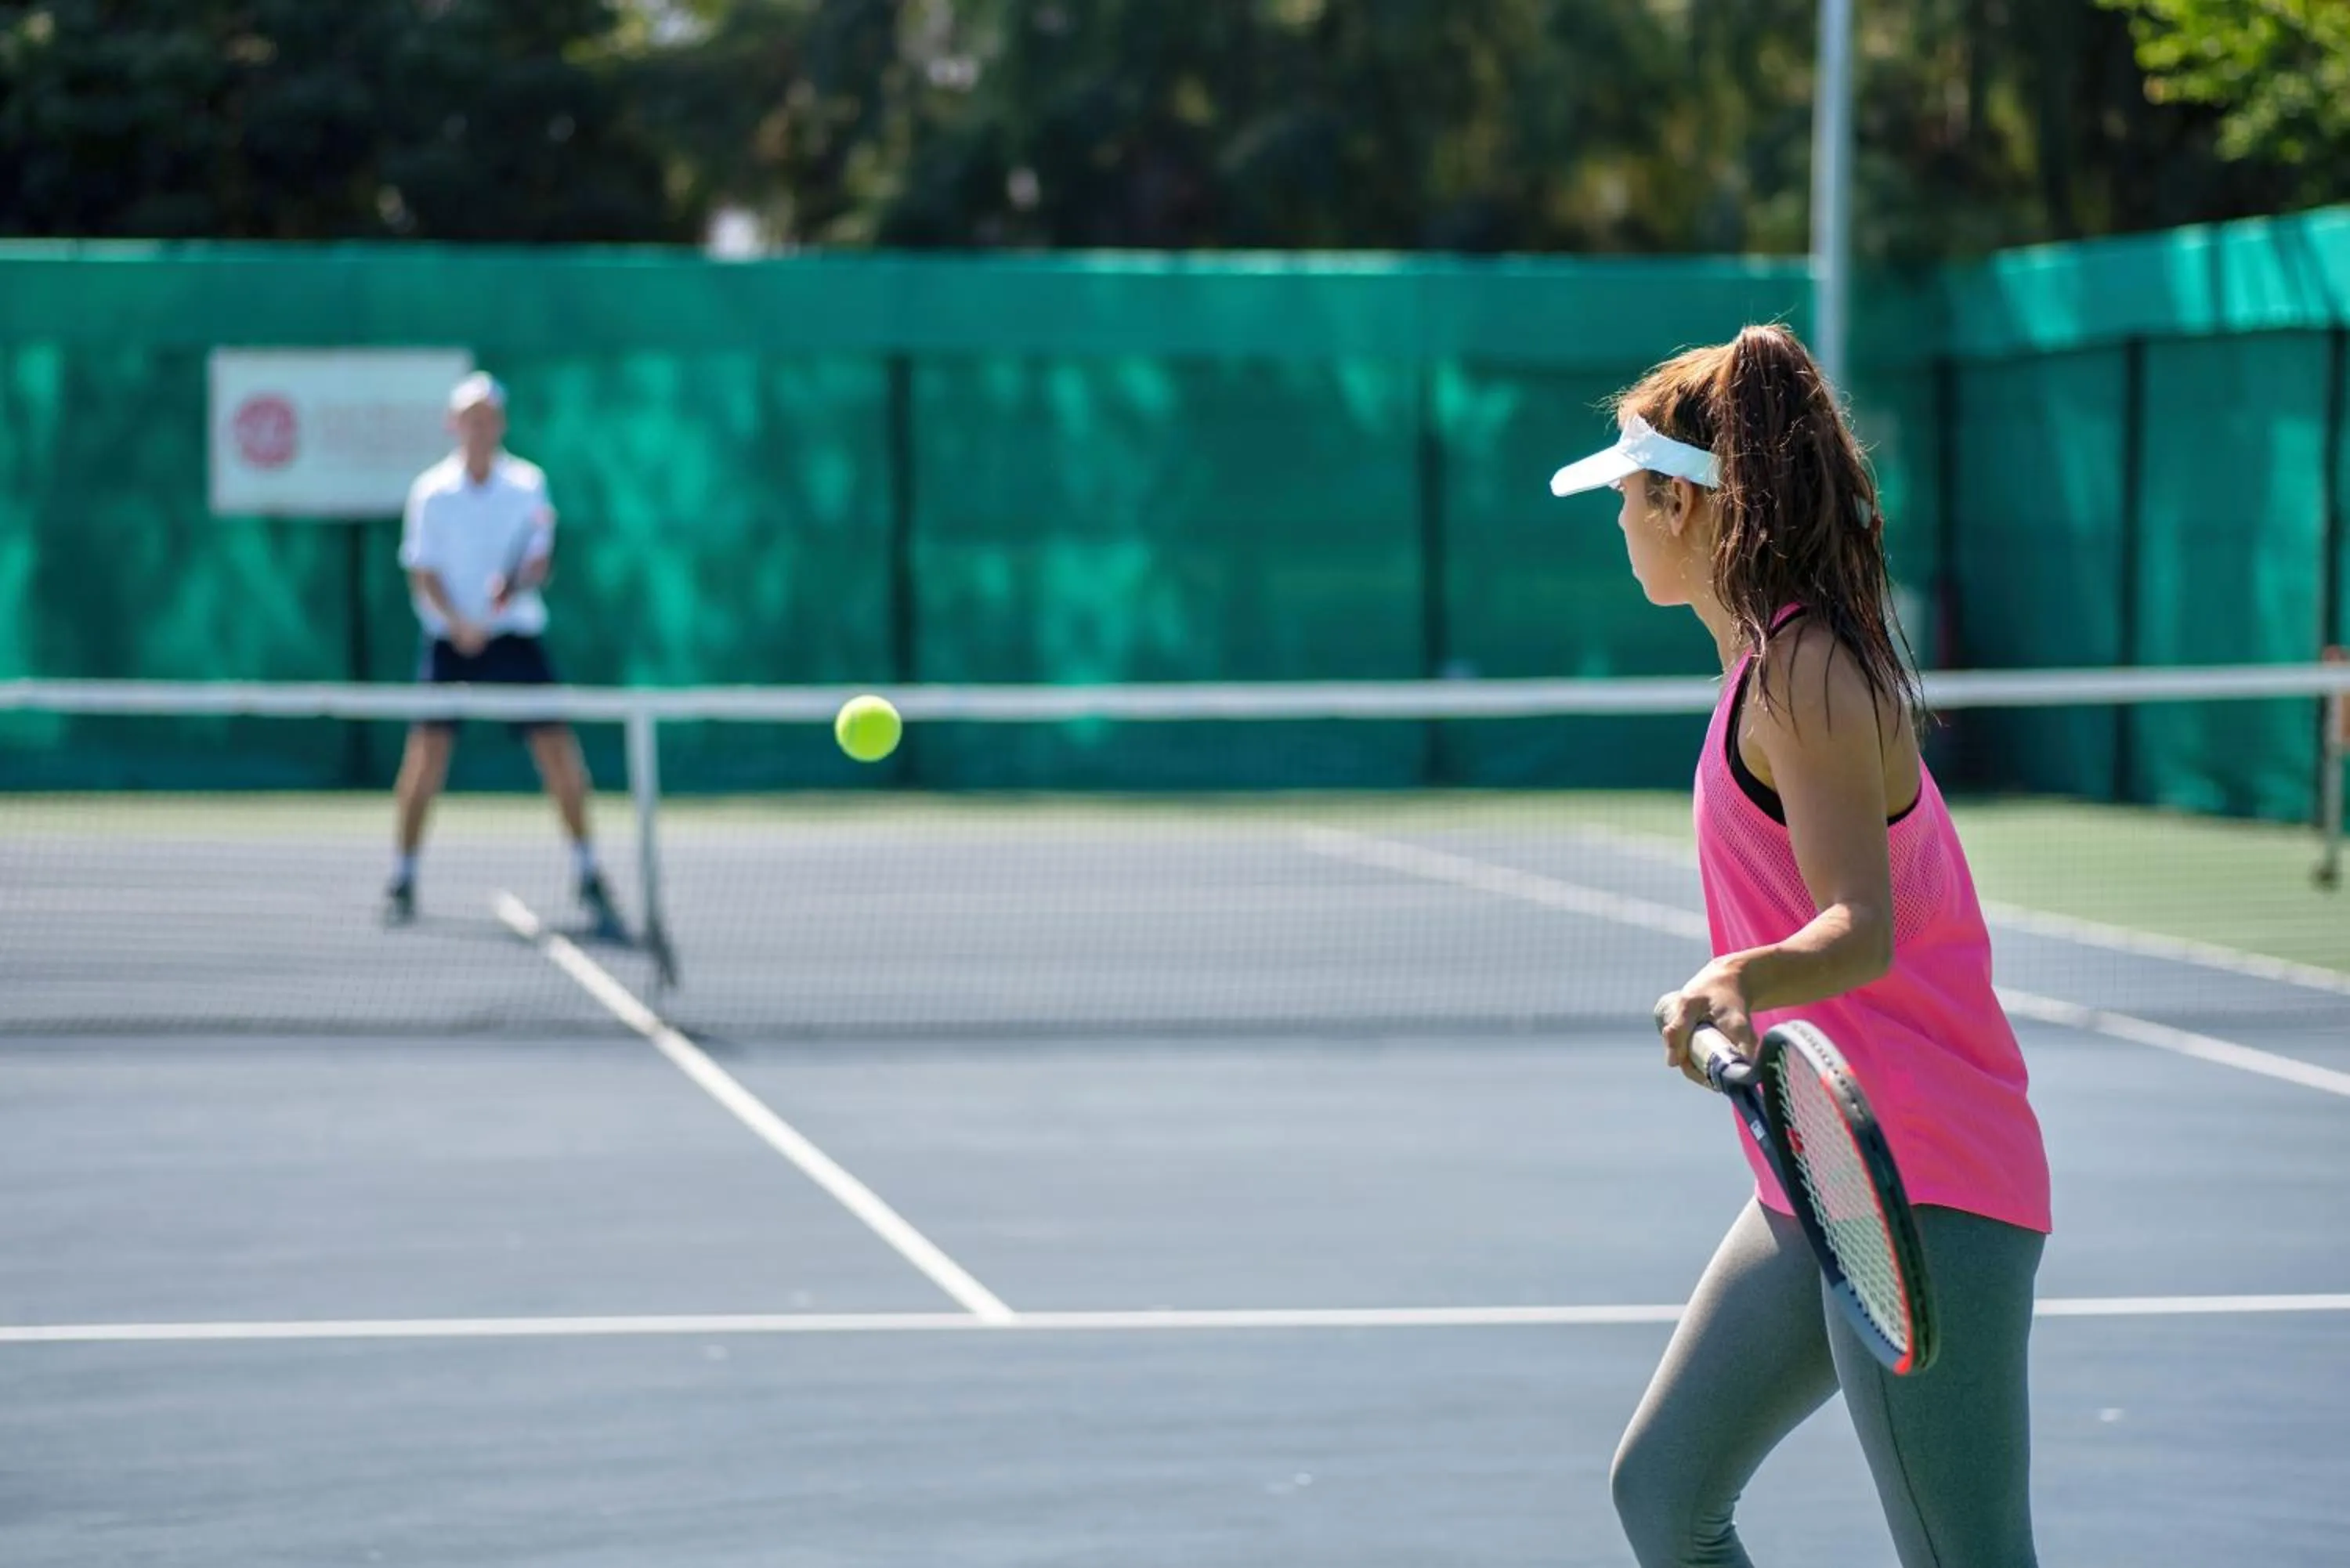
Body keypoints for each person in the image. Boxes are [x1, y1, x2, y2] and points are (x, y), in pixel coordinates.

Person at [1549, 325, 2051, 1568]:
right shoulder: (1761, 668)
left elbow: (1860, 928)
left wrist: (1737, 977)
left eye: (1626, 490)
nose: (1615, 514)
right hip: (1824, 1173)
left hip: (1924, 1178)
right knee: (1665, 1491)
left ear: (1678, 498)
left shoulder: (1807, 672)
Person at [385, 371, 621, 938]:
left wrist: (519, 584)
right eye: (470, 416)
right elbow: (424, 574)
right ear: (454, 424)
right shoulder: (431, 493)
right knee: (425, 758)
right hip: (449, 641)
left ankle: (588, 868)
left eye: (489, 417)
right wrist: (460, 625)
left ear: (501, 425)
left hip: (515, 637)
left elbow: (537, 563)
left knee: (560, 754)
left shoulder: (528, 485)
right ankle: (403, 875)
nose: (479, 426)